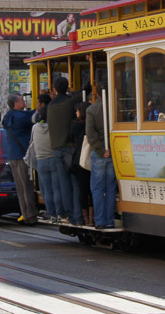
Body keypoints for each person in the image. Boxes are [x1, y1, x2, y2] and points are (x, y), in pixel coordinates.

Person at [46, 76, 82, 226]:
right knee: (75, 184)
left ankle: (71, 217)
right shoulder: (70, 102)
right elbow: (83, 92)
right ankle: (79, 216)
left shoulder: (50, 106)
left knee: (64, 186)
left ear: (54, 89)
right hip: (70, 149)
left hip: (56, 151)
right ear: (67, 88)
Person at [2, 93, 38, 225]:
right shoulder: (20, 118)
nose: (24, 102)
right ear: (16, 104)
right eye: (22, 100)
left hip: (13, 156)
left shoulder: (8, 116)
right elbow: (33, 118)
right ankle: (31, 215)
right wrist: (40, 107)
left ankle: (26, 214)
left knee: (20, 187)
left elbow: (27, 114)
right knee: (27, 186)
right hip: (23, 156)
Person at [86, 83, 117, 229]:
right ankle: (110, 220)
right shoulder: (115, 107)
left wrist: (100, 150)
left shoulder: (91, 110)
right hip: (113, 151)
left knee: (98, 189)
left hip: (100, 154)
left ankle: (99, 221)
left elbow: (90, 134)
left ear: (97, 94)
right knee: (110, 188)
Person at [29, 97, 60, 222]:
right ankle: (58, 212)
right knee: (56, 188)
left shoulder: (35, 128)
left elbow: (32, 143)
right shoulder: (54, 127)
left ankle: (50, 212)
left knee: (46, 189)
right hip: (53, 159)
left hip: (41, 161)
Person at [71, 101, 93, 226]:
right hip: (90, 159)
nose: (76, 113)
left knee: (82, 190)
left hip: (78, 161)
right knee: (92, 190)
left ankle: (85, 219)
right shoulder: (90, 125)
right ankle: (92, 218)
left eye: (77, 110)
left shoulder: (75, 125)